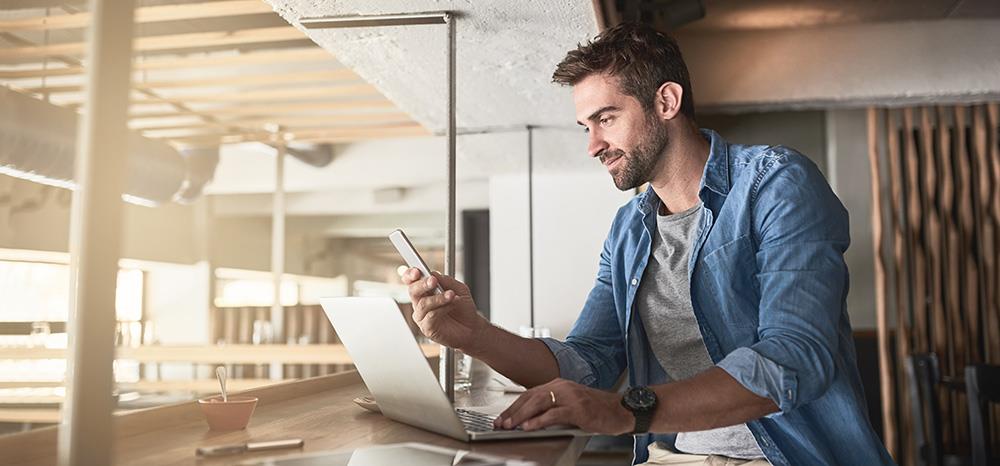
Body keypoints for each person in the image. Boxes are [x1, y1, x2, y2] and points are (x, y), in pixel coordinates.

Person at [404, 22, 894, 466]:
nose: (592, 144)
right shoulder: (628, 231)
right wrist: (475, 335)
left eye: (607, 119)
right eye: (587, 126)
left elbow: (795, 356)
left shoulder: (776, 184)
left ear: (666, 102)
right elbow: (589, 364)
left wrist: (625, 411)